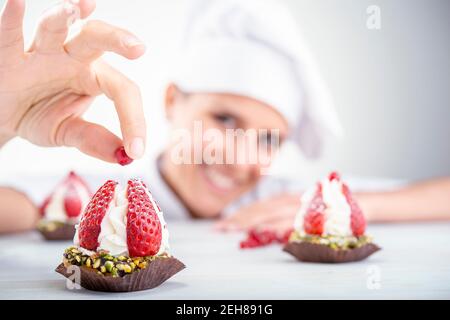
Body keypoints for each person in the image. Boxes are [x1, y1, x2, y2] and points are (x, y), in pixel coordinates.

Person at [1, 0, 449, 235]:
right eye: (226, 121)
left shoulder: (280, 205)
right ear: (173, 101)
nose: (240, 159)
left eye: (270, 140)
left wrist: (352, 208)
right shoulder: (98, 197)